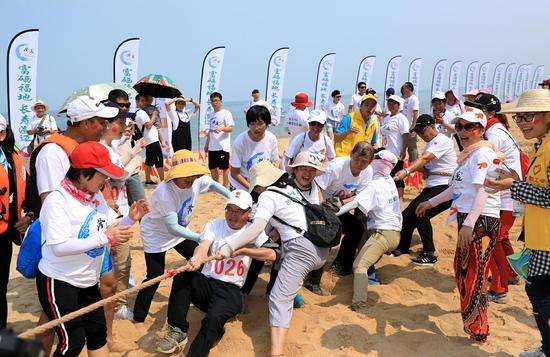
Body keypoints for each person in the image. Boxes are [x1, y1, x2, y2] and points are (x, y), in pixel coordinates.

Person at [27, 96, 125, 353]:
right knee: (66, 334)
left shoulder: (92, 192)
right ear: (84, 123)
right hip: (62, 269)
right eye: (100, 122)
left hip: (86, 267)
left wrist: (130, 217)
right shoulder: (53, 154)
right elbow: (57, 234)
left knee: (93, 332)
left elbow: (105, 219)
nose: (105, 127)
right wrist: (103, 237)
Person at [36, 141, 149, 357]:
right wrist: (104, 237)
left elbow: (109, 226)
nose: (107, 181)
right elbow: (59, 246)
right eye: (103, 175)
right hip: (59, 281)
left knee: (98, 333)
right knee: (73, 341)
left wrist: (130, 218)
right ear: (85, 174)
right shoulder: (57, 201)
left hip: (87, 280)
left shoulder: (94, 197)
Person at [215, 160, 329, 356]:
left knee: (278, 299)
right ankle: (293, 294)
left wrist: (231, 246)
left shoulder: (268, 195)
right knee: (276, 256)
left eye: (256, 186)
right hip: (321, 250)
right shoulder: (293, 189)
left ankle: (276, 353)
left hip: (301, 250)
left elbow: (257, 229)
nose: (257, 190)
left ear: (260, 184)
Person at [156, 190, 276, 355]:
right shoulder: (215, 224)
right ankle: (178, 329)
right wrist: (197, 258)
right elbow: (203, 246)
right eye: (230, 209)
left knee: (212, 321)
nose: (232, 215)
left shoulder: (253, 230)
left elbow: (271, 254)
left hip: (230, 290)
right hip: (206, 282)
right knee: (183, 275)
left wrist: (244, 251)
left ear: (248, 213)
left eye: (239, 211)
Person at [417, 107, 500, 343]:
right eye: (460, 126)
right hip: (468, 218)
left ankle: (479, 328)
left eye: (469, 127)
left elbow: (482, 189)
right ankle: (473, 323)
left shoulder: (482, 154)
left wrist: (470, 224)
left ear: (481, 130)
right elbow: (456, 189)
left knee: (475, 275)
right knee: (464, 272)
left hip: (480, 220)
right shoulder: (468, 155)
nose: (463, 131)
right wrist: (429, 202)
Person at [133, 150, 231, 327]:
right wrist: (200, 237)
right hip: (156, 234)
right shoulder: (165, 192)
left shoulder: (195, 180)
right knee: (155, 274)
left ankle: (201, 297)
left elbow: (214, 185)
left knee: (200, 259)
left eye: (193, 176)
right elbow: (172, 227)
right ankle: (138, 316)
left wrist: (232, 197)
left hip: (180, 232)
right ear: (174, 176)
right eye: (185, 176)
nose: (190, 180)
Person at [486, 89, 550, 357]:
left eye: (528, 116)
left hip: (547, 240)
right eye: (519, 117)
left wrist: (513, 186)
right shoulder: (541, 144)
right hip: (539, 236)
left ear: (547, 116)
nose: (522, 122)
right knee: (537, 291)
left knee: (540, 294)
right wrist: (516, 179)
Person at [465, 92, 522, 303]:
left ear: (487, 112)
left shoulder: (494, 134)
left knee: (493, 241)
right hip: (508, 193)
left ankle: (499, 289)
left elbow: (493, 169)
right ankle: (512, 274)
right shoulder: (496, 129)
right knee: (501, 239)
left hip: (505, 195)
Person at [335, 150, 401, 310]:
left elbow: (356, 203)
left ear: (378, 162)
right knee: (361, 245)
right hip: (393, 232)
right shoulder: (388, 180)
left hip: (383, 234)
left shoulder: (374, 184)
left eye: (373, 158)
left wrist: (335, 212)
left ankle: (359, 303)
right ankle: (371, 281)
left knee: (360, 265)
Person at [391, 114, 457, 264]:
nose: (421, 134)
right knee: (407, 214)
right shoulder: (429, 144)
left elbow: (425, 159)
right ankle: (402, 248)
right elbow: (425, 167)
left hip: (445, 185)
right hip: (433, 184)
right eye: (418, 132)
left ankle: (429, 253)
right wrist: (403, 166)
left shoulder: (441, 140)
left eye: (423, 130)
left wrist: (407, 171)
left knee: (422, 211)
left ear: (433, 126)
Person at [99, 102, 140, 321]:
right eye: (120, 121)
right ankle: (113, 306)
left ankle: (120, 306)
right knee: (111, 265)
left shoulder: (111, 147)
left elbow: (117, 173)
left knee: (123, 263)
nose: (124, 125)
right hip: (106, 217)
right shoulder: (98, 150)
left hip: (121, 211)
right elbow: (115, 176)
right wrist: (134, 159)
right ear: (106, 123)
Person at [317, 141, 375, 276]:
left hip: (340, 207)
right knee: (331, 232)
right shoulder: (336, 166)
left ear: (370, 162)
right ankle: (314, 275)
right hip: (323, 205)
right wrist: (322, 210)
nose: (360, 164)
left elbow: (361, 196)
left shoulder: (368, 171)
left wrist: (341, 202)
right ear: (351, 154)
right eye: (357, 159)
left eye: (364, 162)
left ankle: (341, 265)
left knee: (357, 228)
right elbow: (318, 187)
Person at [0, 114, 31, 330]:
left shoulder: (13, 158)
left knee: (1, 285)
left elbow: (28, 191)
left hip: (6, 232)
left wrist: (28, 215)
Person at [106, 89, 145, 207]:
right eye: (121, 105)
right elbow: (109, 144)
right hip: (113, 175)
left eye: (127, 105)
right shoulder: (106, 122)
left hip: (131, 170)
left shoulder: (129, 119)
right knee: (116, 212)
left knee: (142, 207)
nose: (125, 108)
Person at [230, 105, 280, 191]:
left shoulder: (271, 138)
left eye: (260, 123)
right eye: (252, 124)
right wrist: (251, 187)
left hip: (262, 183)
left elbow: (275, 162)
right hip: (241, 184)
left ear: (267, 124)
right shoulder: (240, 141)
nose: (256, 128)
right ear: (248, 124)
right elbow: (235, 173)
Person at [381, 94, 410, 199]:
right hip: (386, 152)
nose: (391, 105)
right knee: (387, 175)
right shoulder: (387, 118)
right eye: (389, 103)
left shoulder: (401, 118)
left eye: (393, 103)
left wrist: (404, 149)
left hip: (397, 153)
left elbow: (406, 135)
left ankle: (400, 198)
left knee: (397, 176)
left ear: (398, 105)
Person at [203, 92, 234, 187]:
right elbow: (210, 132)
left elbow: (231, 128)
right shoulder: (211, 114)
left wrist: (222, 129)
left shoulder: (226, 113)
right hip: (212, 146)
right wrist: (207, 144)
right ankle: (217, 186)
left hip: (222, 146)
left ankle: (225, 186)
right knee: (212, 167)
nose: (214, 103)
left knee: (224, 168)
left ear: (220, 101)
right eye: (212, 101)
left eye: (216, 100)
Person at [135, 93, 164, 185]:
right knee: (159, 160)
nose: (144, 102)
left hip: (149, 140)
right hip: (152, 140)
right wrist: (154, 115)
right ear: (137, 101)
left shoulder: (141, 112)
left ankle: (148, 180)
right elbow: (148, 125)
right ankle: (163, 181)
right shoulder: (141, 112)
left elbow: (150, 124)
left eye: (145, 100)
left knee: (149, 160)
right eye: (142, 100)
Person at [401, 82, 420, 162]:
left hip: (410, 127)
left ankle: (414, 164)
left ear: (409, 88)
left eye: (404, 88)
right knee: (405, 146)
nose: (403, 90)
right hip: (404, 127)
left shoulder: (413, 98)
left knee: (412, 148)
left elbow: (416, 113)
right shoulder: (405, 99)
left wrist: (413, 127)